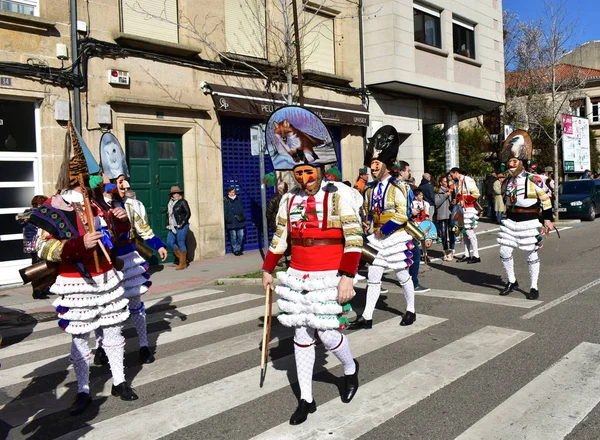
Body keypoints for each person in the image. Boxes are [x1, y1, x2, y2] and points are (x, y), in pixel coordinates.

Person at [261, 106, 361, 425]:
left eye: (309, 173)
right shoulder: (289, 201)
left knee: (329, 335)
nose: (304, 179)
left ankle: (349, 369)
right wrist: (267, 268)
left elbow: (354, 238)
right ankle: (307, 399)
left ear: (319, 170)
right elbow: (280, 237)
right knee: (302, 334)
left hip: (330, 273)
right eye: (299, 174)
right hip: (298, 273)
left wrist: (347, 277)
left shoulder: (339, 195)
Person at [29, 123, 137, 416]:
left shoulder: (100, 204)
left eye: (89, 178)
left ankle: (119, 380)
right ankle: (84, 390)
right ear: (71, 176)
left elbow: (115, 238)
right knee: (81, 338)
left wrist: (120, 220)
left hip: (106, 276)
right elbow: (41, 247)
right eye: (83, 178)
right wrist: (77, 245)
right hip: (76, 281)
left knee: (113, 331)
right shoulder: (53, 206)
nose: (88, 183)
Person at [93, 177, 168, 365]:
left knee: (136, 304)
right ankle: (100, 347)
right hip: (105, 263)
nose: (125, 186)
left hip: (128, 260)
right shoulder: (92, 207)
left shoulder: (130, 205)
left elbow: (143, 229)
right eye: (120, 182)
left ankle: (143, 346)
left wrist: (158, 245)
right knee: (104, 308)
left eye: (125, 181)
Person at [350, 126, 417, 331]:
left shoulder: (399, 186)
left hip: (395, 236)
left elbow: (402, 213)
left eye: (376, 164)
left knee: (402, 274)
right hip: (377, 238)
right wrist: (367, 223)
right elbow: (369, 212)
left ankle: (411, 310)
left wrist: (385, 229)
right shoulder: (370, 189)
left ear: (386, 166)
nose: (373, 168)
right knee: (373, 275)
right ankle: (367, 317)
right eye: (371, 164)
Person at [497, 130, 553, 300]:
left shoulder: (534, 179)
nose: (510, 165)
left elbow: (546, 199)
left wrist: (548, 219)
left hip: (530, 221)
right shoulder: (507, 181)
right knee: (504, 251)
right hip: (511, 222)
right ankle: (512, 281)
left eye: (514, 161)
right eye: (509, 162)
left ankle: (534, 286)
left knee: (531, 253)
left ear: (522, 162)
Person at [396, 161, 429, 292]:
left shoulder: (394, 185)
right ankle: (412, 283)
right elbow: (401, 209)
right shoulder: (402, 187)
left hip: (397, 225)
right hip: (401, 225)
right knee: (413, 253)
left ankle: (376, 283)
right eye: (408, 170)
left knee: (405, 254)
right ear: (401, 171)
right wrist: (411, 212)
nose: (410, 173)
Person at [16, 194, 49, 299]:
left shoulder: (30, 213)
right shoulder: (34, 213)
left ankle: (41, 288)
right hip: (35, 244)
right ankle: (37, 291)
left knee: (39, 265)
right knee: (38, 267)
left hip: (34, 244)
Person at [450, 167, 481, 264]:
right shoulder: (458, 182)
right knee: (464, 232)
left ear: (456, 173)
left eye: (451, 175)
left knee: (469, 233)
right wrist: (457, 201)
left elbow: (476, 194)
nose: (451, 177)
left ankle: (476, 255)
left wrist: (465, 201)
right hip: (461, 210)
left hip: (468, 209)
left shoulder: (467, 180)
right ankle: (467, 254)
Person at [166, 186, 191, 269]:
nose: (176, 194)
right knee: (170, 242)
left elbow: (188, 213)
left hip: (181, 226)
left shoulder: (183, 202)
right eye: (174, 193)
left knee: (181, 243)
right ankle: (182, 259)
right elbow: (168, 214)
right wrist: (167, 223)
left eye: (177, 193)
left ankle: (183, 263)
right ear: (172, 195)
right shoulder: (170, 203)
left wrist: (182, 223)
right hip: (172, 226)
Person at [434, 176, 455, 261]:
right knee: (443, 234)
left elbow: (453, 202)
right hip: (442, 215)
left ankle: (452, 250)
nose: (447, 183)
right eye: (445, 181)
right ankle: (445, 250)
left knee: (451, 232)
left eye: (448, 181)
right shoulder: (438, 192)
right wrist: (446, 195)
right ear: (440, 182)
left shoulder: (451, 191)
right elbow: (437, 203)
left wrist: (453, 202)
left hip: (450, 215)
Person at [223, 185, 246, 256]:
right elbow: (225, 211)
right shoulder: (225, 201)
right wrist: (228, 219)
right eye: (230, 192)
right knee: (233, 236)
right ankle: (235, 250)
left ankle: (238, 248)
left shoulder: (238, 199)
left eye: (233, 192)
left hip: (239, 221)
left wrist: (243, 215)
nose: (231, 193)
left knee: (241, 235)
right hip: (231, 222)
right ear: (228, 193)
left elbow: (242, 209)